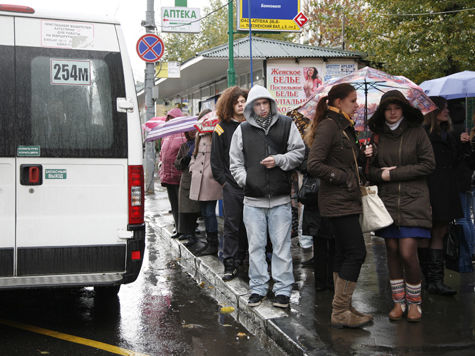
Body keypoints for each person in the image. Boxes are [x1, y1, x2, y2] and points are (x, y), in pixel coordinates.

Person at [230, 84, 305, 308]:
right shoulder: (241, 130)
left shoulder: (286, 124)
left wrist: (280, 160)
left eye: (265, 103)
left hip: (281, 198)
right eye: (258, 104)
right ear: (251, 107)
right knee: (256, 246)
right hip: (252, 201)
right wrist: (248, 180)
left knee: (281, 247)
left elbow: (299, 153)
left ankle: (282, 290)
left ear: (271, 103)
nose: (262, 108)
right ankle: (258, 288)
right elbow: (235, 163)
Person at [306, 83, 373, 328]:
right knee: (356, 252)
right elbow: (314, 164)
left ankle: (342, 307)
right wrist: (343, 177)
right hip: (337, 201)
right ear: (337, 102)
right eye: (353, 101)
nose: (357, 105)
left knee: (344, 252)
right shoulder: (329, 126)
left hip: (346, 200)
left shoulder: (343, 127)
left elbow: (342, 159)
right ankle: (340, 310)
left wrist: (362, 156)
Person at [367, 90, 435, 322]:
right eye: (388, 108)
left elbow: (428, 165)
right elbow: (371, 171)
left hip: (413, 201)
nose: (393, 112)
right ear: (383, 111)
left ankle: (415, 302)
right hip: (387, 202)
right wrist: (379, 172)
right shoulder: (377, 136)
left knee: (407, 252)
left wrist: (394, 175)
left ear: (403, 110)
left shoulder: (417, 133)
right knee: (393, 252)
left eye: (396, 108)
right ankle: (398, 303)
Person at [419, 96, 465, 295]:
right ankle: (426, 278)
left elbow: (458, 162)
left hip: (446, 188)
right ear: (434, 111)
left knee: (440, 232)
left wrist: (465, 145)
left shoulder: (450, 134)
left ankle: (436, 280)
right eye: (443, 108)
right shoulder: (424, 135)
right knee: (427, 233)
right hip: (430, 188)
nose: (447, 111)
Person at [211, 86, 249, 281]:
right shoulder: (221, 128)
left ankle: (244, 258)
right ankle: (230, 263)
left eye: (243, 101)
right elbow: (215, 162)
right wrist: (225, 183)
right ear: (230, 105)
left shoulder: (252, 125)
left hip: (251, 185)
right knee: (232, 225)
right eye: (237, 102)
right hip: (231, 186)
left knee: (249, 226)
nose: (241, 105)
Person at [189, 109, 223, 256]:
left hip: (211, 179)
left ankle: (213, 244)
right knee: (204, 212)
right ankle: (210, 242)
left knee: (209, 212)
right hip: (198, 178)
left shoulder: (218, 132)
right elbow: (194, 155)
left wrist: (214, 173)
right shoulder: (198, 134)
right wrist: (192, 168)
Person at [158, 107, 186, 238]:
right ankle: (177, 227)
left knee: (182, 205)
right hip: (168, 176)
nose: (169, 120)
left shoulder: (183, 134)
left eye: (172, 118)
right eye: (168, 118)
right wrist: (160, 164)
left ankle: (184, 229)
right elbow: (162, 154)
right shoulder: (166, 135)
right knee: (174, 204)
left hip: (179, 175)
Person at [174, 129, 201, 243]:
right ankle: (187, 232)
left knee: (195, 208)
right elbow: (177, 164)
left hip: (198, 179)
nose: (192, 132)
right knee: (185, 208)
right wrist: (186, 157)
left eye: (195, 130)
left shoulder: (201, 143)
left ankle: (192, 232)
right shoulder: (184, 146)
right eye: (190, 131)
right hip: (186, 180)